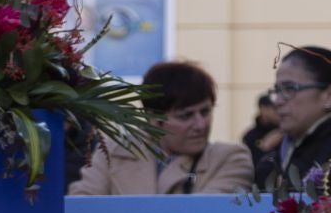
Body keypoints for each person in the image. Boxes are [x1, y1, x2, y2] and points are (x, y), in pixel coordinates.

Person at [69, 60, 253, 195]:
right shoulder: (114, 150)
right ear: (152, 119)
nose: (200, 124)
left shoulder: (229, 158)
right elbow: (83, 212)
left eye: (205, 112)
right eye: (186, 115)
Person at [258, 45, 331, 191]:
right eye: (277, 90)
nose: (278, 101)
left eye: (290, 88)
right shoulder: (275, 157)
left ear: (328, 96)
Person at [242, 92, 282, 158]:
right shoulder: (250, 136)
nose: (279, 111)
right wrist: (264, 148)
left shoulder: (286, 133)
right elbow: (249, 163)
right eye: (275, 108)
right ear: (263, 109)